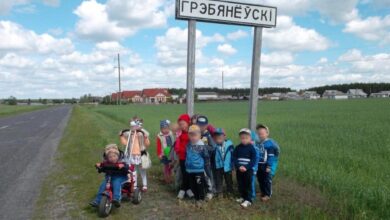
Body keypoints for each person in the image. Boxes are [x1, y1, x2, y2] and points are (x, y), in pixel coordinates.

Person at [121, 117, 150, 192]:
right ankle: (134, 185)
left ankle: (145, 185)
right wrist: (121, 136)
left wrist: (146, 138)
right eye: (133, 126)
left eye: (137, 125)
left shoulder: (142, 134)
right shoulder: (129, 134)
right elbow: (125, 143)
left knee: (142, 170)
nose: (135, 127)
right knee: (133, 171)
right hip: (131, 155)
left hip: (140, 155)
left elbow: (147, 144)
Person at [185, 125, 209, 207]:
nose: (193, 137)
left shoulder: (202, 146)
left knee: (199, 184)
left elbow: (205, 156)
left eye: (195, 135)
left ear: (199, 135)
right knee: (193, 185)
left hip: (198, 169)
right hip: (190, 169)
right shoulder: (188, 145)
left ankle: (201, 199)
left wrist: (204, 166)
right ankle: (196, 198)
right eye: (191, 135)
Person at [233, 128, 257, 208]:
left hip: (248, 170)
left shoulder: (251, 148)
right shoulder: (238, 147)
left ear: (250, 138)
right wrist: (239, 166)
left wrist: (246, 167)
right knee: (241, 184)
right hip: (239, 170)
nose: (244, 140)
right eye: (242, 138)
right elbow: (234, 158)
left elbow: (254, 159)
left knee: (248, 184)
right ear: (240, 138)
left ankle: (248, 199)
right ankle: (243, 197)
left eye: (246, 138)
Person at [256, 124, 280, 202]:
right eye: (259, 133)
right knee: (260, 179)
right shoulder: (259, 143)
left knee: (266, 180)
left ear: (267, 133)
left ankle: (268, 194)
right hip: (260, 164)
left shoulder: (270, 144)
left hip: (266, 165)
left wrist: (269, 166)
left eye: (262, 133)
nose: (260, 135)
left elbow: (271, 156)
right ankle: (263, 192)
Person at [196, 115, 216, 200]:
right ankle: (202, 190)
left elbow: (213, 147)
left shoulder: (208, 135)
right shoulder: (195, 134)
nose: (201, 127)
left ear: (207, 125)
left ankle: (211, 191)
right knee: (199, 176)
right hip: (197, 160)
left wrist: (203, 147)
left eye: (203, 125)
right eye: (199, 125)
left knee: (208, 175)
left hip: (206, 160)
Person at [175, 114, 194, 199]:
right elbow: (177, 144)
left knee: (188, 173)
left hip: (190, 157)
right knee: (184, 173)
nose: (182, 126)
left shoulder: (191, 132)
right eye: (180, 124)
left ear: (188, 123)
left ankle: (184, 189)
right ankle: (186, 189)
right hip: (182, 156)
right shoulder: (179, 133)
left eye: (183, 124)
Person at [212, 128, 234, 197]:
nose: (218, 137)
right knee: (218, 180)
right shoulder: (213, 146)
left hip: (227, 166)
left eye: (220, 136)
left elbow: (233, 155)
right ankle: (219, 192)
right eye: (216, 136)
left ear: (224, 136)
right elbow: (211, 157)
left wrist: (233, 165)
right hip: (217, 166)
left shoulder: (230, 145)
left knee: (229, 180)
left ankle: (230, 191)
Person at [156, 119, 175, 184]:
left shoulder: (171, 133)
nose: (165, 130)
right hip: (164, 153)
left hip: (171, 152)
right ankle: (166, 178)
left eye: (167, 128)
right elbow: (158, 146)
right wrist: (159, 154)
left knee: (171, 165)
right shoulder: (159, 136)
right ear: (161, 129)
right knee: (166, 166)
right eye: (164, 129)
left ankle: (170, 177)